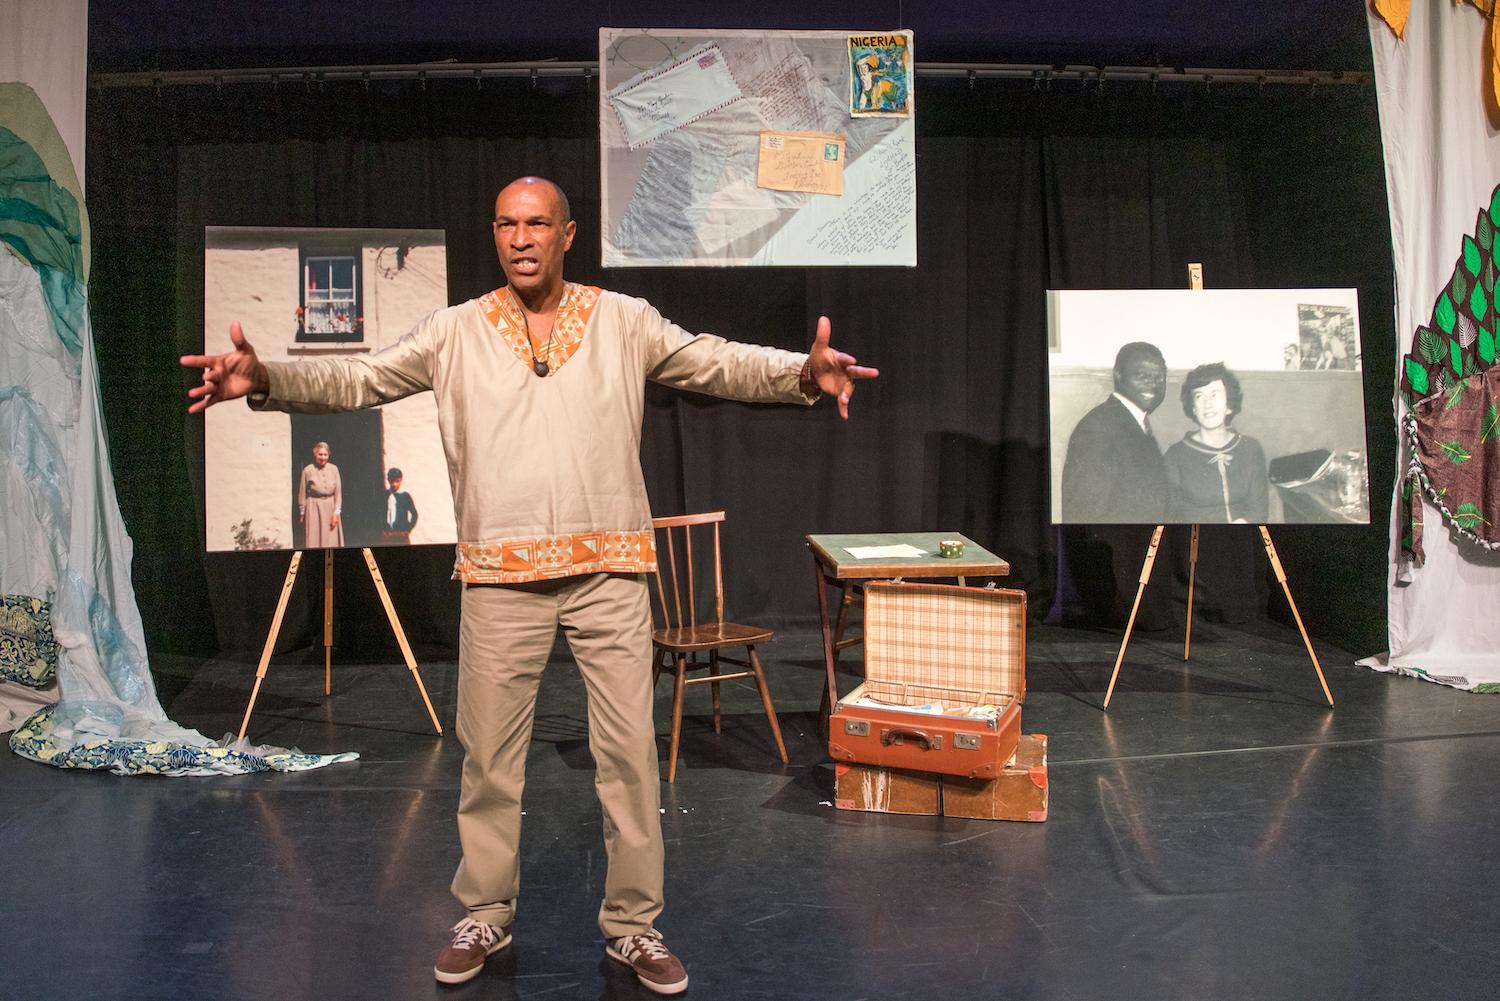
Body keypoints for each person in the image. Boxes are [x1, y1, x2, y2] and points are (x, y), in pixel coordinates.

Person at [181, 176, 877, 996]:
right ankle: (484, 910)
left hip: (610, 569)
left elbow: (714, 361)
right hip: (500, 576)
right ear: (495, 232)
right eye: (507, 223)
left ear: (567, 234)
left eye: (537, 223)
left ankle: (634, 927)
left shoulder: (623, 320)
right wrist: (266, 380)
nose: (520, 238)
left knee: (628, 758)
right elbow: (360, 379)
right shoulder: (455, 330)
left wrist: (802, 371)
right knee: (488, 761)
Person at [1059, 342, 1168, 523]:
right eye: (1142, 375)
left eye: (1160, 378)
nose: (1153, 385)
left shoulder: (1136, 422)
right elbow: (1083, 513)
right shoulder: (1096, 428)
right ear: (1118, 375)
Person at [1163, 362, 1269, 523]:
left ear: (1229, 405)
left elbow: (1258, 509)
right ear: (1193, 408)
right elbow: (1171, 516)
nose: (1207, 404)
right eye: (1199, 396)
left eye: (1215, 394)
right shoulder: (1175, 455)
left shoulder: (1251, 448)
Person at [296, 440, 343, 548]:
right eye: (320, 454)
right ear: (315, 454)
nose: (323, 458)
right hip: (313, 509)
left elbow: (338, 493)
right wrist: (302, 513)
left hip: (330, 508)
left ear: (329, 455)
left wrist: (336, 513)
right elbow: (302, 494)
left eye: (325, 455)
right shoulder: (307, 470)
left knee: (331, 541)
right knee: (314, 541)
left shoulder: (334, 469)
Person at [382, 466, 418, 544]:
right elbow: (379, 512)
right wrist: (382, 529)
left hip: (402, 535)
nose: (394, 484)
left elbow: (414, 514)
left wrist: (408, 529)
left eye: (397, 481)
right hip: (388, 535)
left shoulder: (405, 496)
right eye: (392, 481)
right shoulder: (384, 495)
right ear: (388, 480)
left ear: (401, 480)